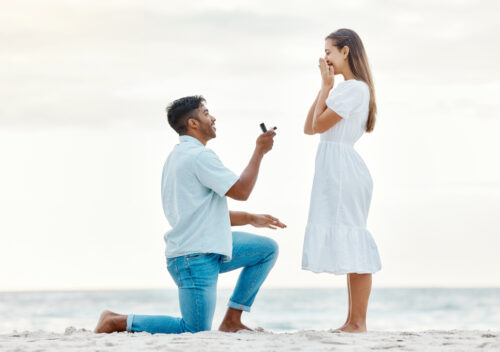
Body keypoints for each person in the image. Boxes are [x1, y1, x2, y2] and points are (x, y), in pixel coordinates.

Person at [95, 95, 286, 334]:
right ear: (193, 123)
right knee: (194, 330)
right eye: (206, 113)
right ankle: (115, 321)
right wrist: (259, 151)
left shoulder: (178, 156)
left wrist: (250, 218)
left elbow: (203, 214)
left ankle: (232, 321)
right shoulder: (199, 156)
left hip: (209, 246)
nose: (213, 117)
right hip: (193, 258)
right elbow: (242, 190)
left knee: (266, 249)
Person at [302, 28, 382, 333]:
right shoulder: (341, 88)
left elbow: (319, 124)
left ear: (345, 51)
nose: (325, 58)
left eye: (329, 52)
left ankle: (358, 322)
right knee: (350, 241)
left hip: (343, 169)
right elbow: (309, 128)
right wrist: (324, 87)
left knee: (354, 238)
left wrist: (326, 87)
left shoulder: (354, 89)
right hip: (334, 167)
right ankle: (352, 321)